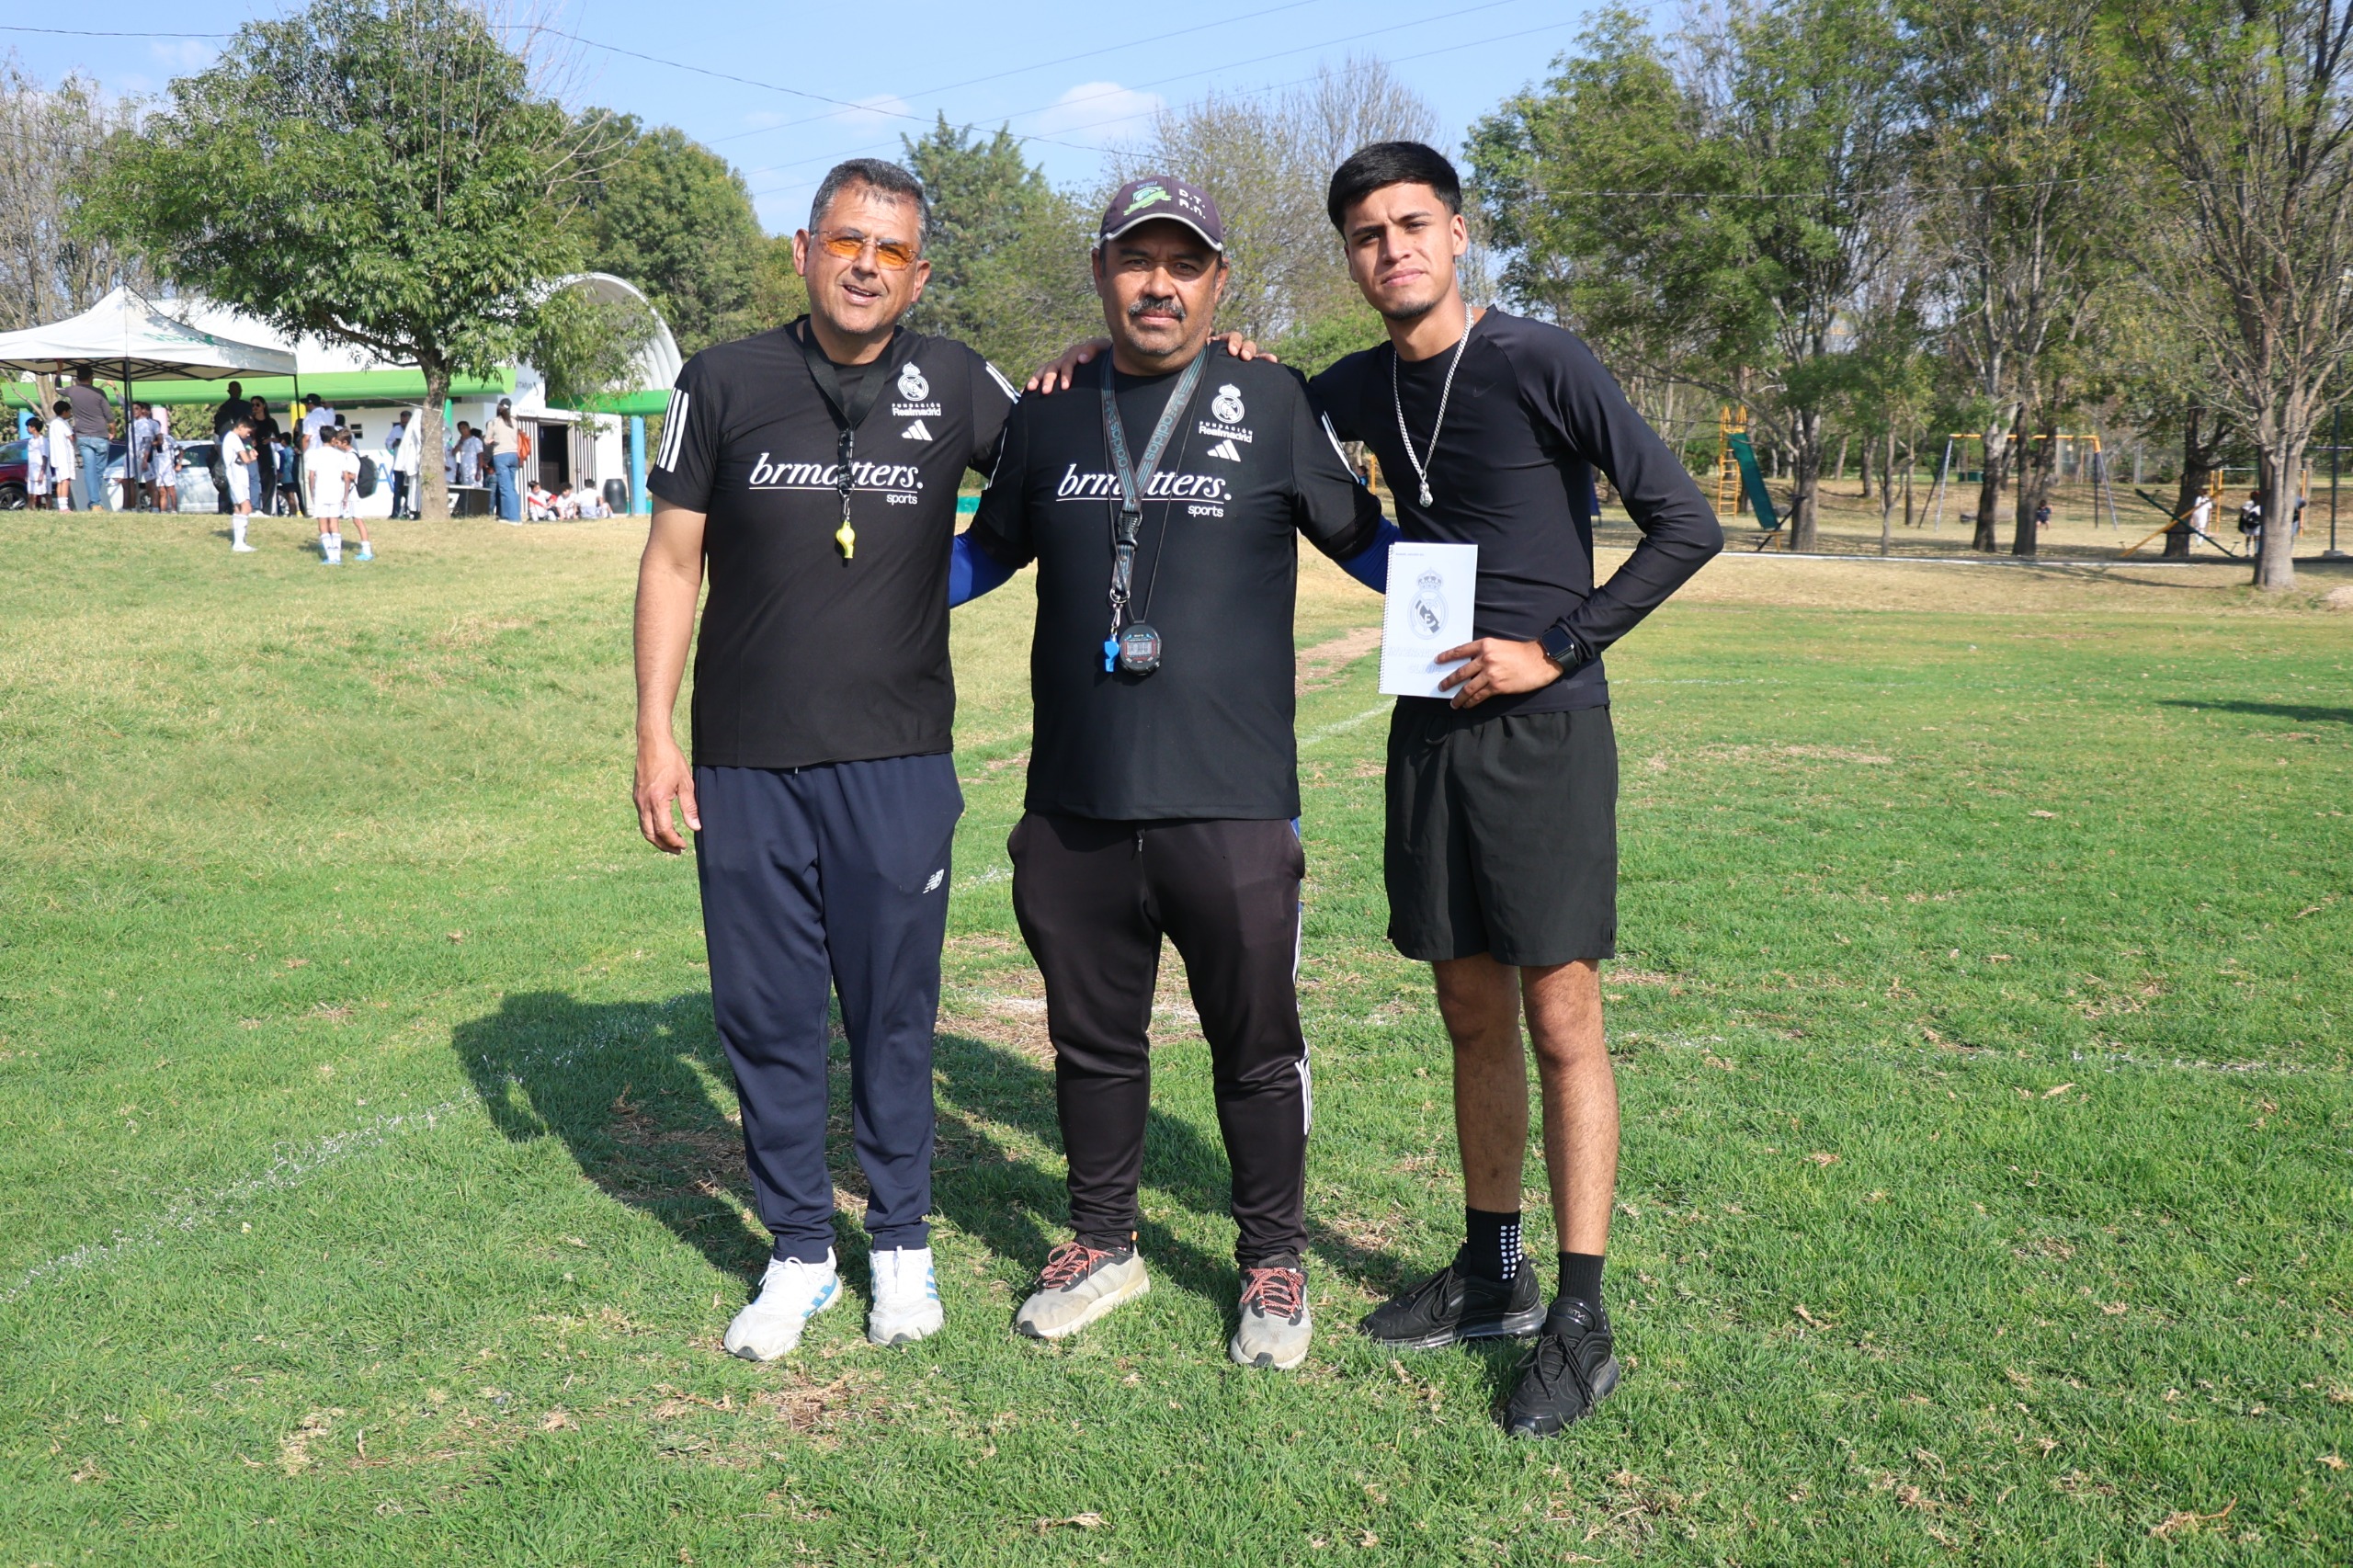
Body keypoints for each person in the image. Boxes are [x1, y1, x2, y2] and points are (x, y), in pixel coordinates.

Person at [1032, 142, 1724, 1427]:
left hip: (1546, 726)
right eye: (1366, 234)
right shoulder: (1348, 384)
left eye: (1412, 224)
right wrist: (1092, 364)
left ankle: (1579, 1313)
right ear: (1351, 259)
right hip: (1429, 728)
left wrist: (1555, 646)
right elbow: (1227, 389)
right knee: (1468, 1010)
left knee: (1560, 1017)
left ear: (1458, 235)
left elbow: (1686, 521)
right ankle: (1492, 1269)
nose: (1391, 248)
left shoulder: (1539, 360)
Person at [957, 176, 1391, 1371]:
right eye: (1136, 260)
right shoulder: (1048, 412)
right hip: (1077, 804)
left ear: (1219, 281)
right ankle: (1103, 1242)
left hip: (1234, 804)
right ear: (1100, 275)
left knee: (1256, 1044)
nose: (1160, 282)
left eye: (1183, 262)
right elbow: (984, 554)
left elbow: (1366, 545)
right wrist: (857, 579)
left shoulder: (1270, 396)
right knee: (1092, 1042)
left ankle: (1272, 1260)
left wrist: (1508, 598)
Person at [634, 157, 1021, 1361]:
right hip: (744, 761)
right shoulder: (724, 380)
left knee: (894, 1013)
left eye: (891, 249)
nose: (866, 264)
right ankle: (800, 1246)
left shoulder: (958, 379)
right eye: (846, 240)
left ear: (919, 271)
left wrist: (939, 579)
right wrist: (654, 732)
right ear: (802, 250)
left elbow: (1066, 471)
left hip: (897, 762)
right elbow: (670, 563)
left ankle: (899, 1242)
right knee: (766, 1015)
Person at [306, 421, 362, 562]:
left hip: (321, 492)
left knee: (323, 524)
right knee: (335, 523)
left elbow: (311, 476)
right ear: (333, 439)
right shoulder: (340, 455)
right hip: (336, 492)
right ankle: (337, 556)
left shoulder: (314, 454)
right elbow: (346, 477)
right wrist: (345, 496)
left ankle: (330, 556)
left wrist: (312, 493)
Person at [67, 367, 114, 513]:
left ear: (77, 378)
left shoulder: (72, 391)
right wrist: (113, 431)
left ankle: (95, 502)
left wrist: (59, 369)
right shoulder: (99, 393)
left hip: (83, 436)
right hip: (100, 435)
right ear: (91, 377)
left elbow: (57, 388)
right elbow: (109, 416)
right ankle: (95, 502)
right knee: (98, 471)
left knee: (90, 470)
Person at [221, 412, 259, 551]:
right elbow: (245, 459)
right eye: (248, 431)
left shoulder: (228, 438)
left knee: (237, 508)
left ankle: (238, 541)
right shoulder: (234, 438)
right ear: (241, 426)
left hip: (233, 477)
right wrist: (252, 457)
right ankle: (239, 543)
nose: (248, 435)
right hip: (238, 477)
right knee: (246, 507)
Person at [210, 381, 246, 516]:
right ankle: (237, 507)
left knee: (227, 481)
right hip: (237, 447)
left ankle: (227, 509)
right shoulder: (244, 407)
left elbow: (218, 432)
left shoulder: (223, 408)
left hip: (226, 447)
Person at [485, 397, 522, 522]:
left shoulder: (493, 422)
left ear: (499, 408)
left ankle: (510, 518)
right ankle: (516, 515)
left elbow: (487, 440)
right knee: (512, 487)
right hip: (513, 456)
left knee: (505, 488)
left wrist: (491, 441)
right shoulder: (514, 422)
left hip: (501, 455)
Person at [128, 403, 159, 512]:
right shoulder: (133, 423)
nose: (134, 411)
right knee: (131, 482)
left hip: (144, 457)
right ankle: (132, 508)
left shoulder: (148, 424)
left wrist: (145, 459)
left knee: (150, 484)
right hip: (133, 457)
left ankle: (155, 509)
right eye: (132, 409)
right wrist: (115, 389)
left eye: (137, 409)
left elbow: (149, 442)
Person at [46, 399, 76, 512]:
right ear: (64, 412)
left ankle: (60, 505)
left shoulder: (53, 423)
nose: (70, 414)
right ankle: (64, 506)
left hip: (56, 456)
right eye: (69, 411)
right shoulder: (63, 423)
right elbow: (71, 437)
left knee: (60, 481)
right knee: (66, 480)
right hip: (64, 456)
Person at [388, 410, 416, 518]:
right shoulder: (396, 429)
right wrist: (394, 443)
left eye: (406, 422)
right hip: (398, 466)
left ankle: (410, 512)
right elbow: (388, 442)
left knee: (411, 491)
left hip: (411, 466)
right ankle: (395, 513)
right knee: (397, 492)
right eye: (402, 422)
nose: (403, 424)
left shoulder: (414, 430)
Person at [151, 419, 179, 514]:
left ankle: (174, 510)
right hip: (158, 469)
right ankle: (163, 512)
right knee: (162, 491)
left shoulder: (168, 438)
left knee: (171, 489)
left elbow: (180, 450)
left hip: (168, 468)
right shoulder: (150, 440)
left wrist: (179, 464)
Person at [25, 415, 49, 508]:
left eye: (28, 427)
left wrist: (42, 473)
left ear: (34, 428)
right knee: (31, 494)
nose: (27, 429)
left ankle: (49, 510)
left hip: (40, 471)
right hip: (32, 471)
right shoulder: (31, 441)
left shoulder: (43, 441)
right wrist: (27, 473)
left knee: (44, 494)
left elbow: (45, 457)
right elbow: (30, 459)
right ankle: (30, 510)